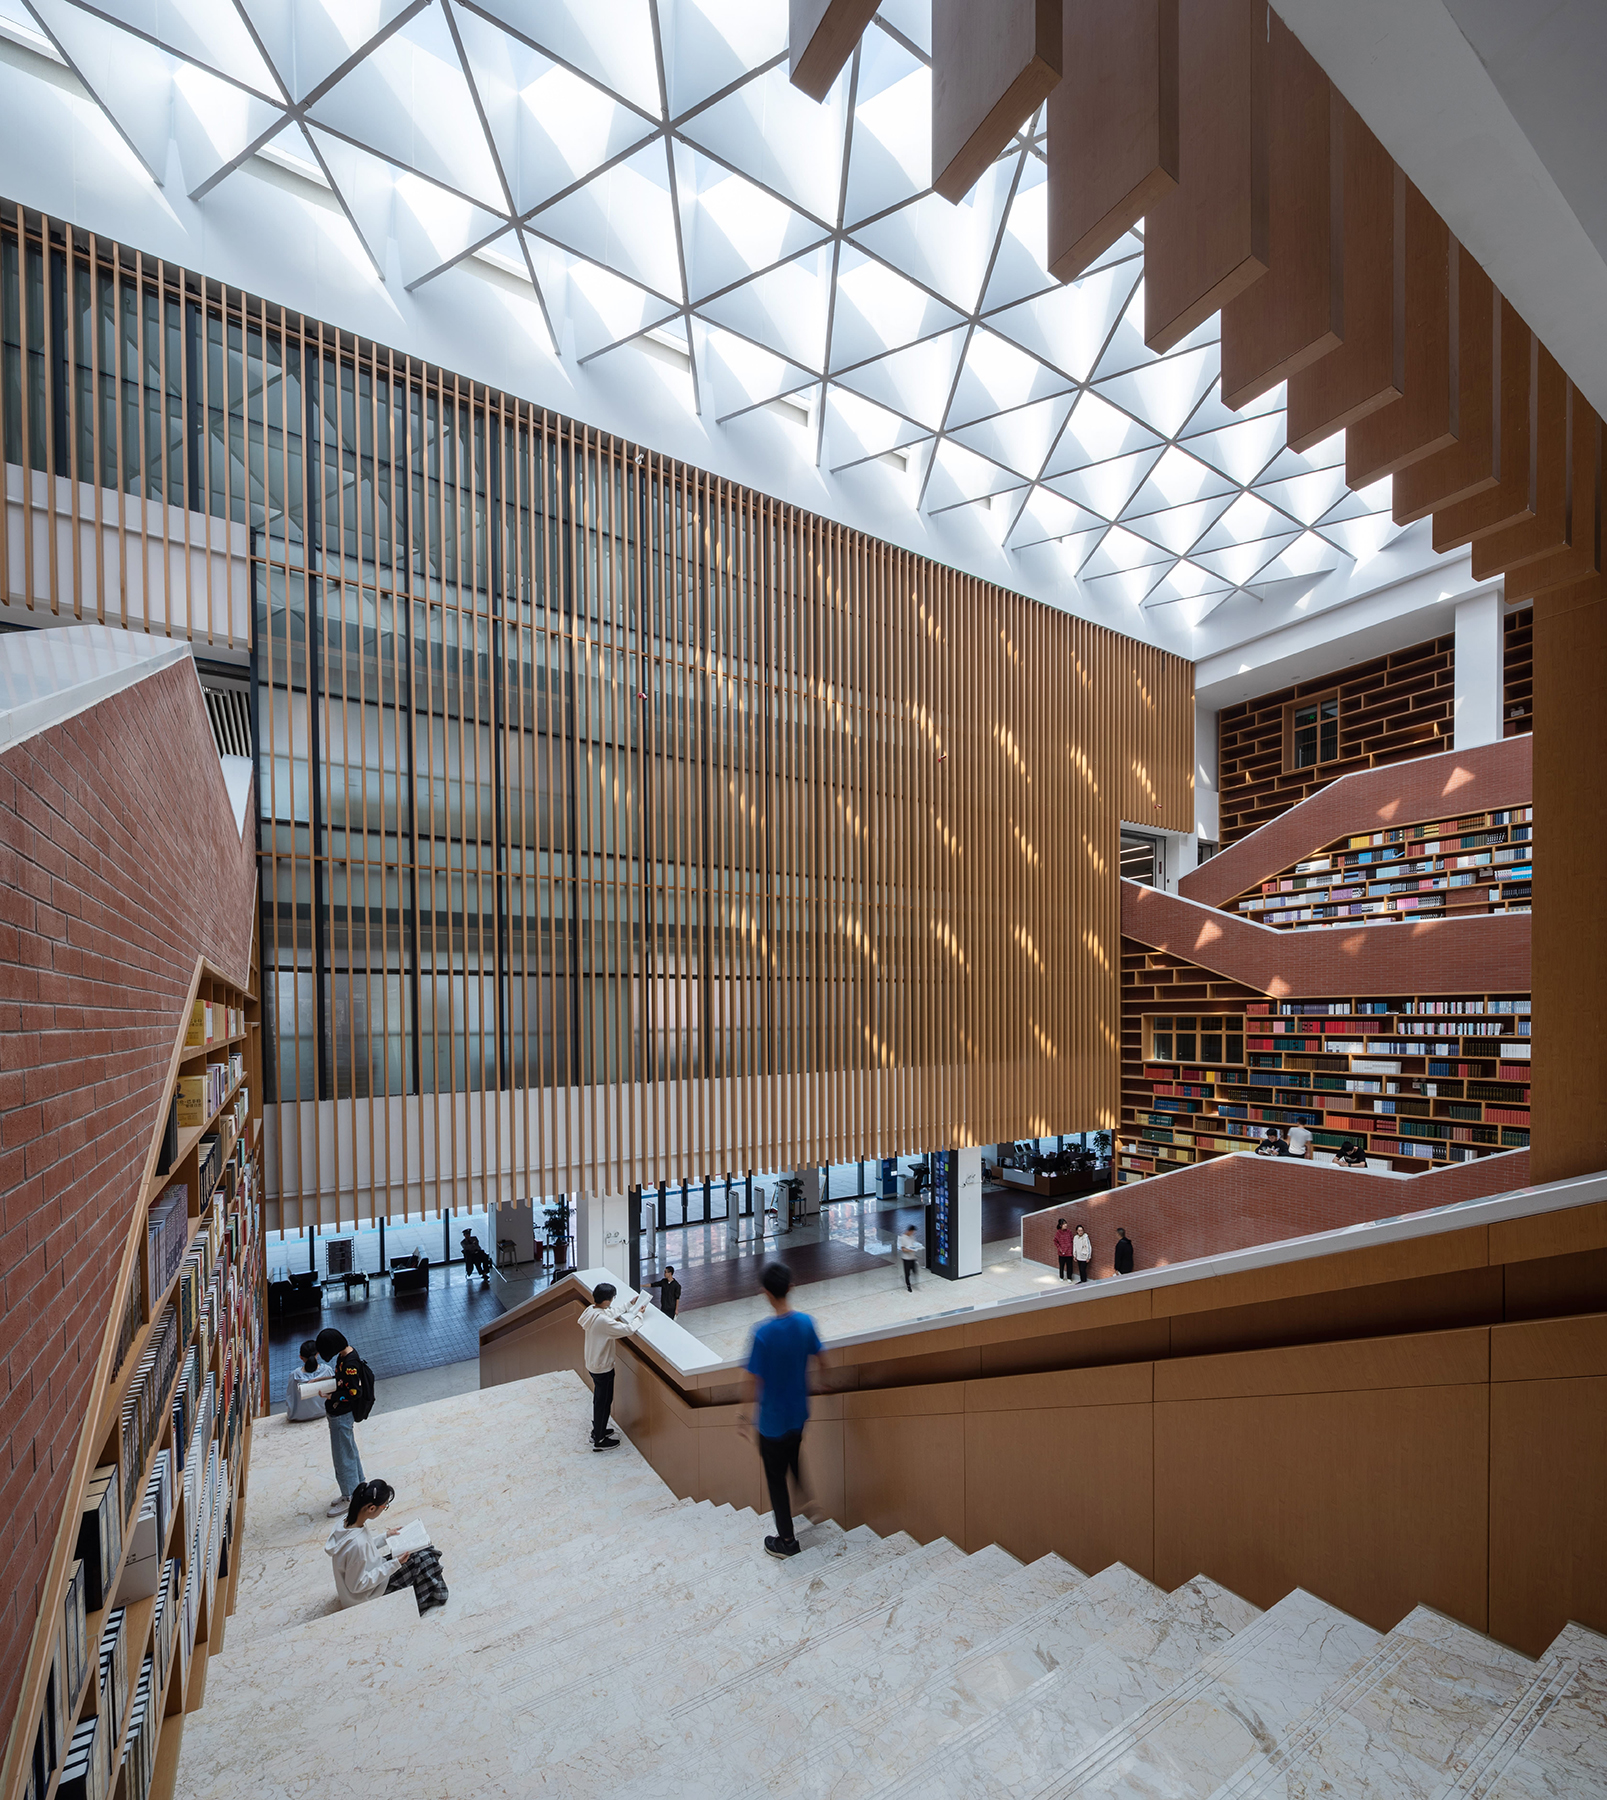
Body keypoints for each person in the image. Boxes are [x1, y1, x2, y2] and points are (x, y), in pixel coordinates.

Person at [741, 1263, 822, 1559]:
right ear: (790, 1287)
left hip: (771, 1422)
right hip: (799, 1414)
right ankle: (805, 1495)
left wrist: (743, 1417)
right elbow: (822, 1360)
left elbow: (752, 1381)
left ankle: (787, 1541)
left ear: (765, 1293)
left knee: (776, 1480)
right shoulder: (805, 1323)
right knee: (793, 1453)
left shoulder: (762, 1334)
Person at [325, 1478, 448, 1616]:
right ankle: (429, 1598)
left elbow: (364, 1548)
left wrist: (386, 1536)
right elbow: (357, 1585)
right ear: (371, 1508)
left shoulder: (346, 1523)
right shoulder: (357, 1545)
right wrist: (395, 1564)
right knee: (425, 1558)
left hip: (371, 1571)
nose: (384, 1510)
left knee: (421, 1552)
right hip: (366, 1595)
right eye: (385, 1507)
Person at [578, 1282, 650, 1450]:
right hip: (603, 1367)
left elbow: (609, 1314)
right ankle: (600, 1441)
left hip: (593, 1363)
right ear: (608, 1300)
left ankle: (598, 1430)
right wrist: (639, 1315)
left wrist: (629, 1304)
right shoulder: (602, 1321)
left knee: (599, 1400)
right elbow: (628, 1329)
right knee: (604, 1401)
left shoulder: (592, 1310)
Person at [315, 1327, 366, 1515]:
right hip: (341, 1413)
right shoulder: (345, 1355)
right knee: (349, 1449)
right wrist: (323, 1381)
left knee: (342, 1456)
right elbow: (342, 1380)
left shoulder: (349, 1362)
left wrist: (331, 1397)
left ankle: (349, 1496)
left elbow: (353, 1393)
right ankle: (358, 1487)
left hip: (342, 1414)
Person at [285, 1339, 332, 1423]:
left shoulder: (294, 1376)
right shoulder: (327, 1370)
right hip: (325, 1411)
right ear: (318, 1354)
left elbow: (290, 1397)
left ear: (301, 1357)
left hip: (299, 1416)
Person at [896, 1225, 922, 1291]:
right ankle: (908, 1285)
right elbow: (902, 1249)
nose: (912, 1233)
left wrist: (917, 1247)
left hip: (913, 1257)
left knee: (915, 1270)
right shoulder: (902, 1238)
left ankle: (915, 1283)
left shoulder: (912, 1236)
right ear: (909, 1231)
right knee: (907, 1273)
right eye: (912, 1232)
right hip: (906, 1258)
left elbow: (913, 1244)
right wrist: (909, 1250)